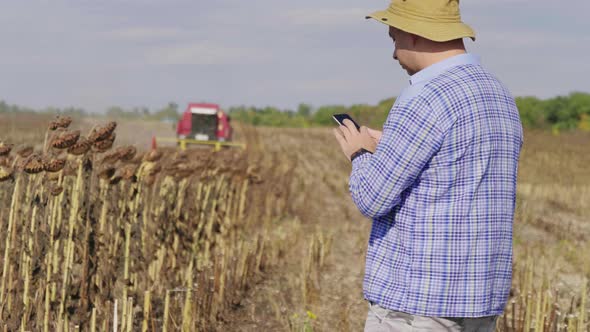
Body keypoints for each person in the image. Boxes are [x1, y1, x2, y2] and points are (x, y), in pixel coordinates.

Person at [332, 0, 523, 331]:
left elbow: (372, 198)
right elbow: (450, 166)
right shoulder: (499, 94)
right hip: (481, 300)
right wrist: (390, 146)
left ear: (414, 33)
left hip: (419, 303)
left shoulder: (424, 97)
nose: (394, 53)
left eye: (395, 38)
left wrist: (359, 154)